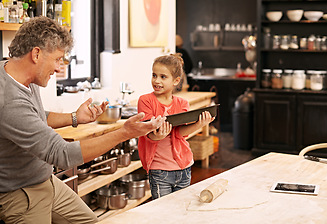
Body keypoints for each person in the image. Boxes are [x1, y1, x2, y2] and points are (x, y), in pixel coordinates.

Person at [0, 16, 165, 224]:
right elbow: (62, 154)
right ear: (36, 54)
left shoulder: (20, 74)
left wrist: (75, 117)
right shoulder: (9, 101)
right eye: (58, 59)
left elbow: (37, 116)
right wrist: (125, 132)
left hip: (45, 181)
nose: (60, 67)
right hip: (21, 195)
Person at [137, 54, 214, 199]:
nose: (156, 81)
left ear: (176, 81)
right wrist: (157, 135)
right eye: (154, 75)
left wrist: (199, 124)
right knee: (163, 213)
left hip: (184, 167)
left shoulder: (182, 103)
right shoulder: (145, 101)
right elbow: (146, 130)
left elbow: (180, 133)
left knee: (180, 210)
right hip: (160, 170)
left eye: (163, 77)